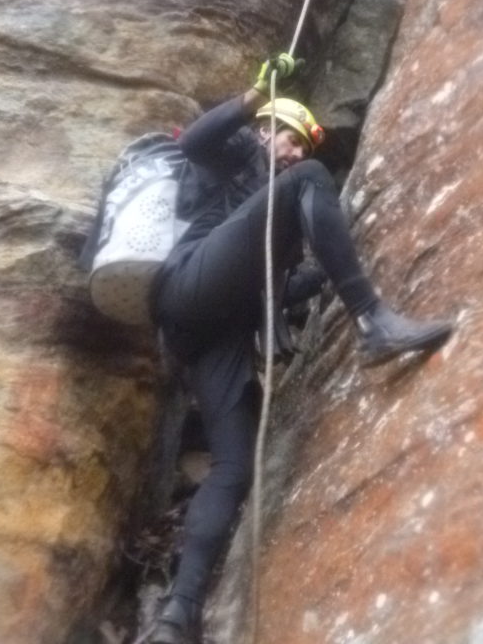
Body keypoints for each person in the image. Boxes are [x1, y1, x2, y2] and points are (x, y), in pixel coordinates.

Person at [148, 54, 453, 644]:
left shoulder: (272, 215)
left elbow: (280, 290)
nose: (293, 154)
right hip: (188, 286)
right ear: (266, 131)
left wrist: (343, 239)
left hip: (217, 335)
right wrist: (251, 99)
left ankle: (177, 613)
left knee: (233, 469)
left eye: (301, 150)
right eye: (289, 140)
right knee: (310, 187)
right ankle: (375, 324)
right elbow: (197, 141)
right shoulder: (237, 154)